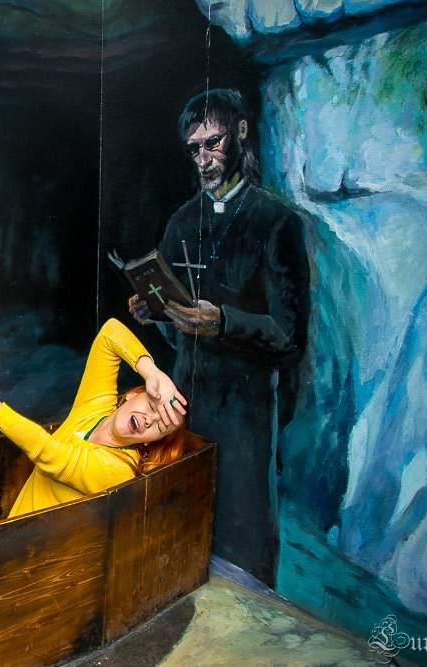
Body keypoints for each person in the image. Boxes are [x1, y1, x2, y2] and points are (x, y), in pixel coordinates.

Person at [126, 89, 310, 587]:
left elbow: (290, 339)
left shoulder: (277, 223)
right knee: (180, 535)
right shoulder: (181, 222)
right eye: (194, 149)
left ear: (241, 133)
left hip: (245, 415)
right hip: (184, 407)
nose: (203, 159)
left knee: (242, 544)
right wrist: (155, 314)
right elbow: (177, 331)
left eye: (213, 143)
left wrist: (223, 322)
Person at [0, 318, 207, 517]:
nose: (149, 420)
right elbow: (110, 333)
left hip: (42, 557)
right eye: (152, 405)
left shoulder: (117, 471)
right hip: (12, 539)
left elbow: (49, 452)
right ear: (133, 395)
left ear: (150, 442)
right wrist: (152, 372)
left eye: (160, 426)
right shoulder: (96, 407)